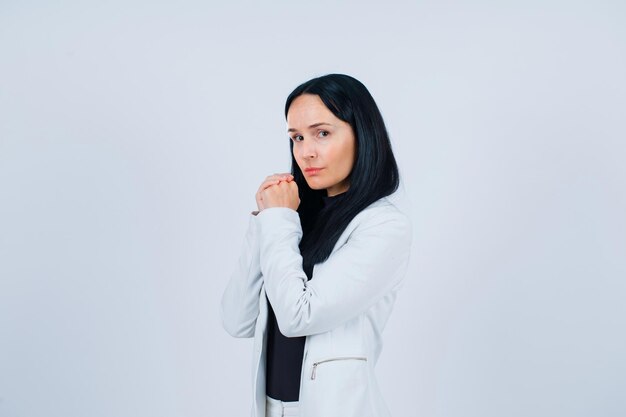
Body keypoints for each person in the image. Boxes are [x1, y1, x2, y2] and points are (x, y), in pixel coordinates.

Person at [220, 73, 413, 417]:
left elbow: (299, 315)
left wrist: (278, 218)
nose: (305, 152)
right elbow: (237, 319)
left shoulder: (383, 226)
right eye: (296, 137)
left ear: (362, 134)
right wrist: (265, 219)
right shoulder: (294, 218)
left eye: (322, 133)